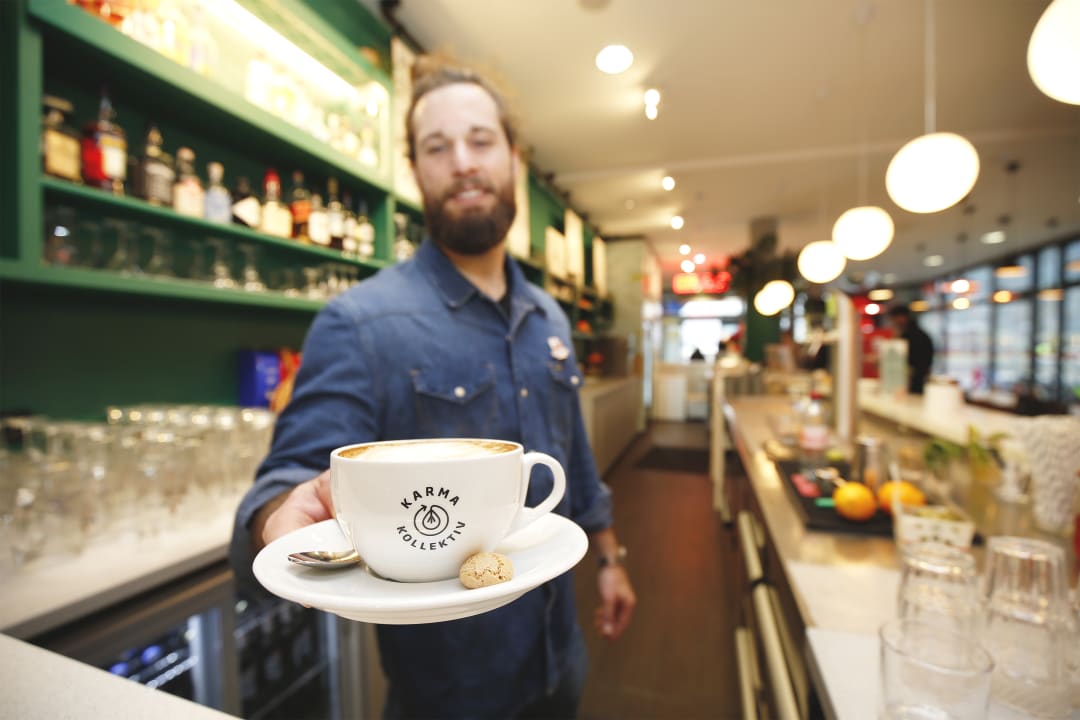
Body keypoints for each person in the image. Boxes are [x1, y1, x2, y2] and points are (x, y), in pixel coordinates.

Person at [229, 58, 636, 719]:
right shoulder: (360, 323)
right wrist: (280, 517)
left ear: (514, 159)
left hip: (562, 660)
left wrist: (613, 558)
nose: (463, 162)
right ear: (416, 172)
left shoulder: (550, 318)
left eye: (480, 140)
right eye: (436, 148)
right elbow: (291, 476)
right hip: (448, 695)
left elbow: (575, 465)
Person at [888, 304, 934, 395]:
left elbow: (905, 360)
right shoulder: (919, 334)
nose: (894, 322)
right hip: (918, 378)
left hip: (913, 380)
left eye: (895, 318)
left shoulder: (910, 337)